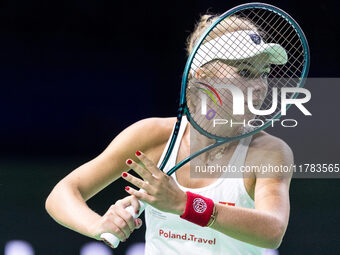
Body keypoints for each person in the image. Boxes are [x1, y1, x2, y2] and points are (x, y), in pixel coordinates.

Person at [46, 14, 293, 255]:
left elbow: (272, 230)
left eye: (264, 72)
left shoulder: (269, 152)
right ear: (203, 76)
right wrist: (97, 225)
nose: (261, 85)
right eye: (246, 72)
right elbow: (62, 193)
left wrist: (184, 204)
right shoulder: (154, 136)